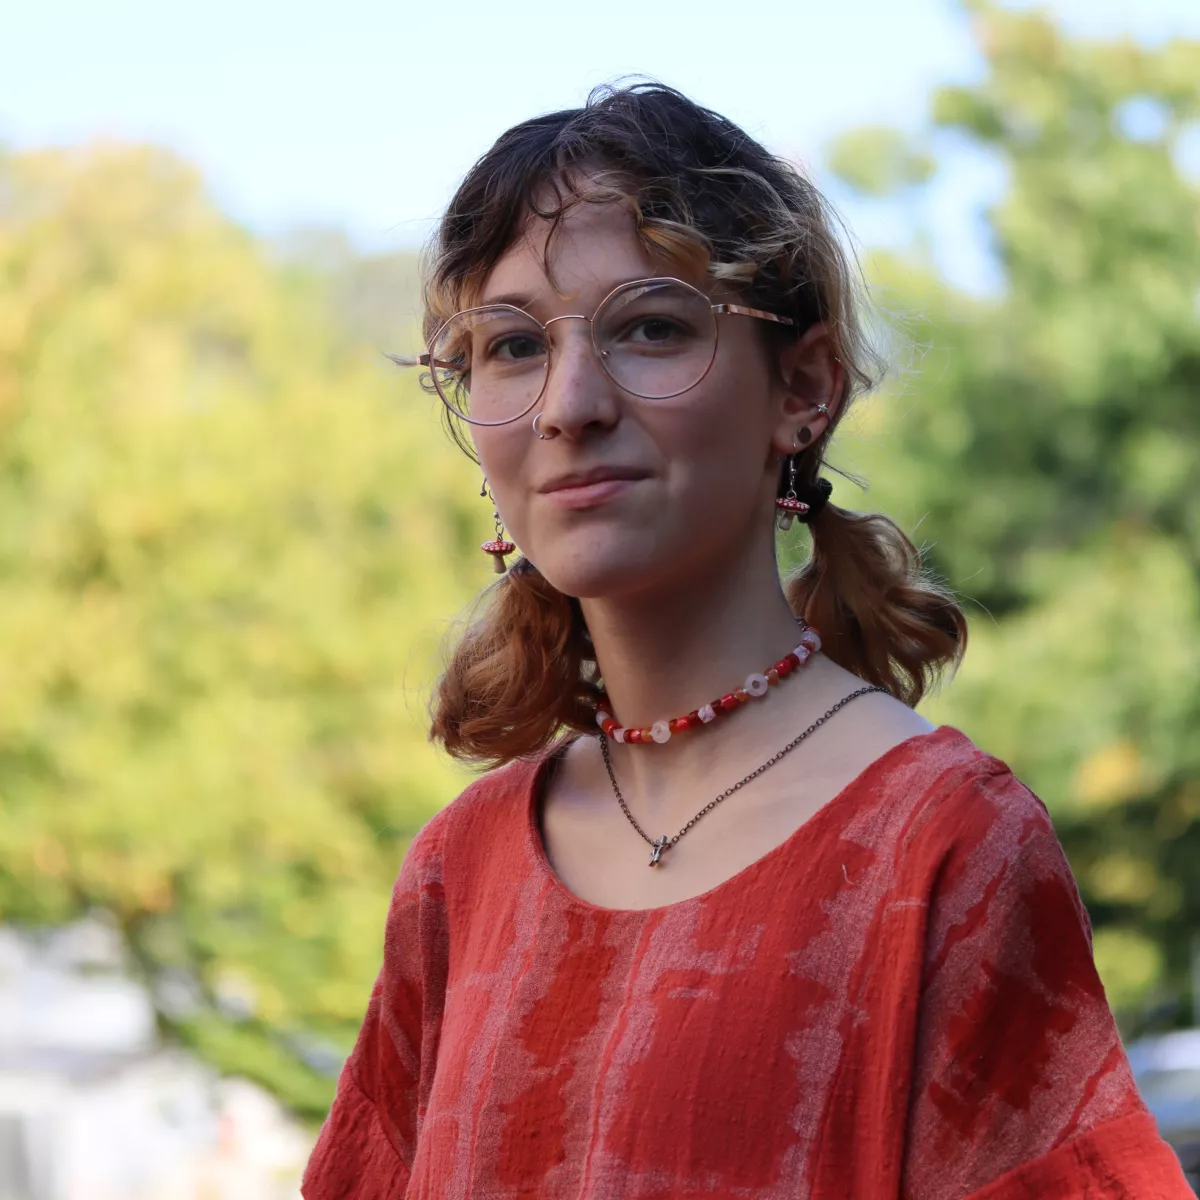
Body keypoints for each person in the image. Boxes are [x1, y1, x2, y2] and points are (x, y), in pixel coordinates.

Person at [302, 84, 1191, 1198]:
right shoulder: (458, 874)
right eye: (514, 345)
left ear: (804, 388)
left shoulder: (945, 848)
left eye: (650, 326)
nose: (570, 404)